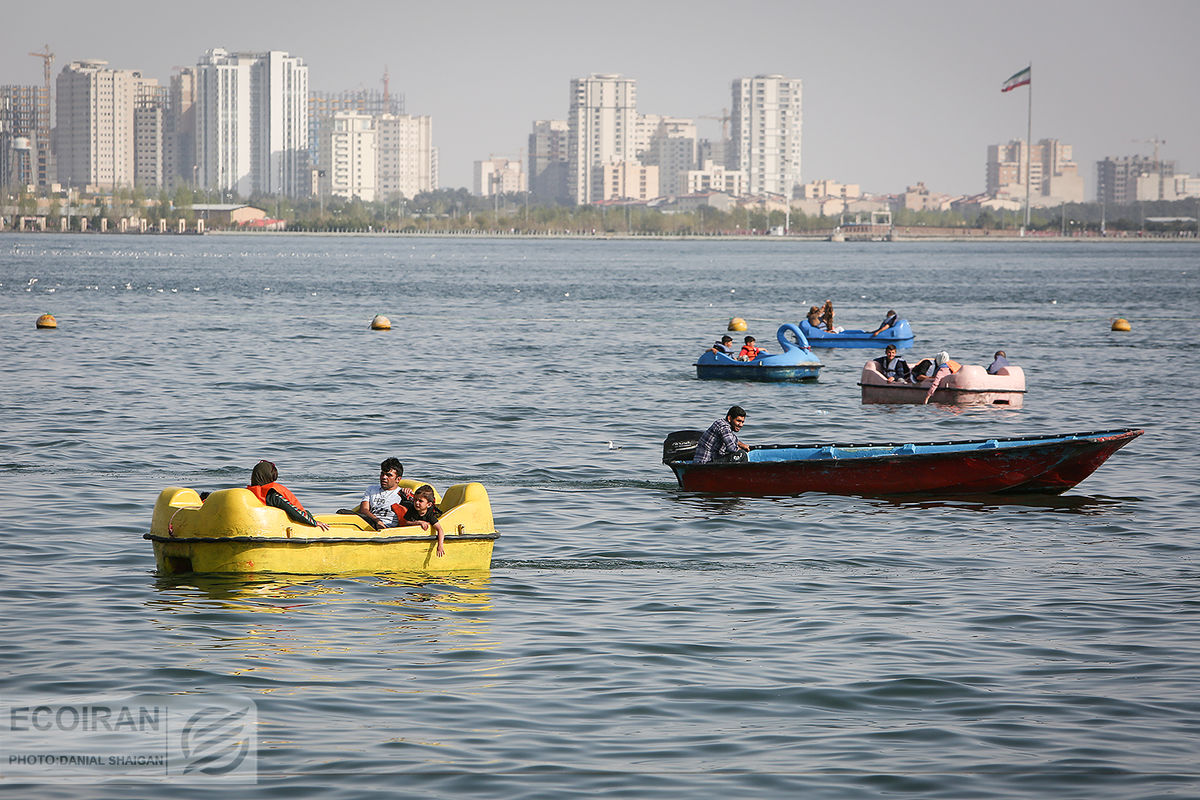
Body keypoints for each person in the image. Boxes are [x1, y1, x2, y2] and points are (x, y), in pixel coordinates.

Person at [246, 460, 330, 530]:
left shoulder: (249, 493)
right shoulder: (272, 494)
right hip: (281, 527)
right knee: (307, 513)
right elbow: (295, 513)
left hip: (261, 525)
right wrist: (314, 523)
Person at [355, 457, 412, 530]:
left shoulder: (402, 494)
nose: (384, 477)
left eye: (389, 475)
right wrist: (377, 521)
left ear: (398, 479)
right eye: (382, 474)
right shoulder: (371, 489)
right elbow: (364, 510)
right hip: (370, 522)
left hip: (387, 526)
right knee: (342, 512)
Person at [391, 484, 445, 557]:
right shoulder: (412, 509)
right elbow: (406, 522)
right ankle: (407, 496)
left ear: (428, 504)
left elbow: (440, 530)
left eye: (420, 501)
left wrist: (440, 546)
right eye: (415, 500)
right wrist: (419, 522)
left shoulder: (430, 515)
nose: (417, 503)